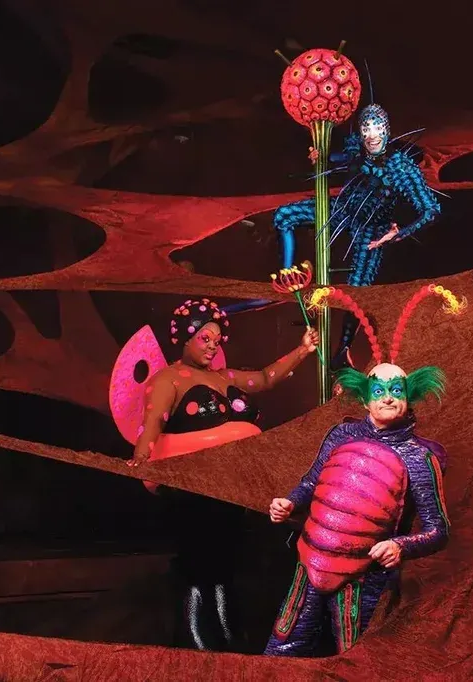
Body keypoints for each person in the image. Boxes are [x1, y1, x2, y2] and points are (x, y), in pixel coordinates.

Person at [128, 298, 318, 652]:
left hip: (230, 488)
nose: (212, 346)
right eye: (205, 338)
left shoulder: (224, 377)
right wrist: (140, 459)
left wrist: (303, 349)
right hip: (193, 489)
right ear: (186, 338)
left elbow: (265, 378)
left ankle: (227, 635)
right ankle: (194, 639)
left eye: (216, 340)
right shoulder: (168, 379)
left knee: (225, 560)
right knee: (198, 562)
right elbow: (152, 422)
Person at [264, 361, 451, 656]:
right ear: (365, 399)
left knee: (356, 658)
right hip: (310, 560)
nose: (387, 398)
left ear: (409, 397)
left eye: (396, 391)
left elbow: (438, 530)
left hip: (365, 576)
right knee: (282, 650)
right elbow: (311, 482)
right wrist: (290, 503)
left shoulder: (419, 459)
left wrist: (400, 546)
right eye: (378, 391)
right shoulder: (341, 435)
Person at [272, 102, 442, 370]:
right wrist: (320, 157)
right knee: (283, 216)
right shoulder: (357, 150)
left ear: (386, 130)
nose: (371, 135)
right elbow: (339, 159)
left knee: (358, 290)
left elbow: (430, 210)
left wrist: (396, 234)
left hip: (373, 230)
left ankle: (343, 351)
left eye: (377, 128)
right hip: (341, 209)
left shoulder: (400, 167)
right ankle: (289, 274)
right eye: (366, 128)